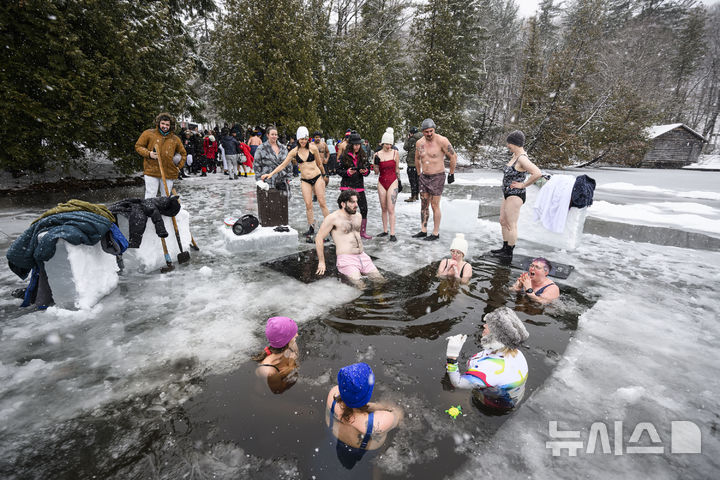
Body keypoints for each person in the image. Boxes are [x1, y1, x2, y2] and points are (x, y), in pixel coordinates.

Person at [444, 307, 529, 410]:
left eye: (490, 325)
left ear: (497, 336)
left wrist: (452, 357)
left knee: (447, 397)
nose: (484, 325)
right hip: (513, 396)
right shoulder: (516, 353)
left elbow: (457, 383)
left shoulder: (492, 369)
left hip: (496, 404)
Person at [326, 362, 403, 469]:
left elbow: (348, 403)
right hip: (367, 453)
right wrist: (378, 406)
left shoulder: (332, 395)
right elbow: (399, 414)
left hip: (335, 439)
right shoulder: (379, 422)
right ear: (367, 394)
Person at [261, 126, 329, 237]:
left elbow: (319, 163)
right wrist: (270, 174)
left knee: (322, 203)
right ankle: (311, 227)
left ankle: (330, 225)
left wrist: (325, 175)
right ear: (298, 139)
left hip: (317, 177)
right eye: (301, 139)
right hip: (305, 180)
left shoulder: (313, 148)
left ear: (308, 139)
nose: (303, 141)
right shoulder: (294, 151)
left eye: (305, 139)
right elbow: (282, 165)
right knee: (308, 205)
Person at [490, 130, 542, 259]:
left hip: (516, 194)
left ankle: (509, 252)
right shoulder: (514, 156)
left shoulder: (522, 158)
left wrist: (523, 185)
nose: (508, 146)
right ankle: (504, 247)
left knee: (511, 224)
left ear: (515, 143)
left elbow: (537, 173)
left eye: (509, 143)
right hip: (507, 193)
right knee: (503, 221)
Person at [315, 190, 384, 287]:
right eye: (352, 202)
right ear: (343, 204)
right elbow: (319, 238)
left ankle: (381, 301)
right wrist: (322, 262)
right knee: (361, 286)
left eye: (356, 202)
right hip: (346, 259)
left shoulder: (358, 216)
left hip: (363, 257)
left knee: (381, 282)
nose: (356, 205)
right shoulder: (333, 218)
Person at [412, 118, 457, 241]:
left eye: (431, 131)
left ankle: (435, 233)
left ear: (434, 130)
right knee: (424, 204)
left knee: (434, 204)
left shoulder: (442, 140)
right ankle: (423, 230)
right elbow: (417, 158)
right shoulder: (419, 143)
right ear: (422, 132)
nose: (429, 134)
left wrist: (451, 173)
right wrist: (418, 173)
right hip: (424, 176)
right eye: (426, 132)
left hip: (437, 176)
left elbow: (453, 156)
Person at [135, 112, 187, 199]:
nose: (165, 126)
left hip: (169, 172)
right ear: (158, 123)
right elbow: (138, 146)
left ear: (171, 126)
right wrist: (149, 154)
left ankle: (165, 212)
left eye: (167, 124)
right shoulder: (148, 134)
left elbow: (183, 153)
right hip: (151, 170)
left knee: (166, 197)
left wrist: (178, 167)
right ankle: (150, 212)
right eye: (163, 123)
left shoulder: (175, 139)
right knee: (150, 196)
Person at [337, 133, 373, 239]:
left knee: (364, 209)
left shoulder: (363, 155)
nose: (357, 146)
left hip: (359, 186)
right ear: (350, 144)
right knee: (346, 210)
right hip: (346, 186)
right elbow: (338, 170)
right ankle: (345, 231)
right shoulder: (344, 156)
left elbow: (368, 170)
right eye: (355, 144)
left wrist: (365, 171)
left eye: (358, 144)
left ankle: (362, 232)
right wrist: (347, 172)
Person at [253, 316, 300, 394]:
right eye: (294, 335)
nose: (297, 335)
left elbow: (296, 353)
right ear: (286, 341)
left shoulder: (286, 345)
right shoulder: (270, 371)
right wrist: (291, 366)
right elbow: (278, 390)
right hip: (262, 397)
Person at [373, 129, 399, 241]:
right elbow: (376, 172)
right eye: (387, 143)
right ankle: (385, 230)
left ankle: (392, 233)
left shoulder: (395, 153)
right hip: (381, 181)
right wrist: (376, 164)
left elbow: (397, 169)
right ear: (382, 143)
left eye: (390, 144)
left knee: (391, 208)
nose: (388, 146)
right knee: (383, 208)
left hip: (393, 181)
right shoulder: (377, 154)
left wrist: (400, 181)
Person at [403, 126, 422, 202]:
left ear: (411, 133)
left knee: (412, 181)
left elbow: (405, 147)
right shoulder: (421, 138)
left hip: (411, 162)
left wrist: (407, 139)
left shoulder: (412, 139)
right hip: (419, 163)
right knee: (417, 180)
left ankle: (413, 196)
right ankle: (417, 195)